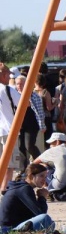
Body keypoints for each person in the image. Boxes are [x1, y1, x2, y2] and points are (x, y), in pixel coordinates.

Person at [0, 163, 55, 234]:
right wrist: (42, 197)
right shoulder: (24, 189)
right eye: (41, 176)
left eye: (45, 177)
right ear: (31, 176)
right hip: (8, 231)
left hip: (10, 227)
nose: (44, 180)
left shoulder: (22, 187)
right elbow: (40, 214)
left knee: (50, 222)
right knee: (45, 219)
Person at [0, 63, 22, 192]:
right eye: (8, 75)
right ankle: (5, 187)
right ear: (3, 75)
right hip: (9, 129)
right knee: (10, 162)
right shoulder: (8, 90)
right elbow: (25, 104)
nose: (9, 78)